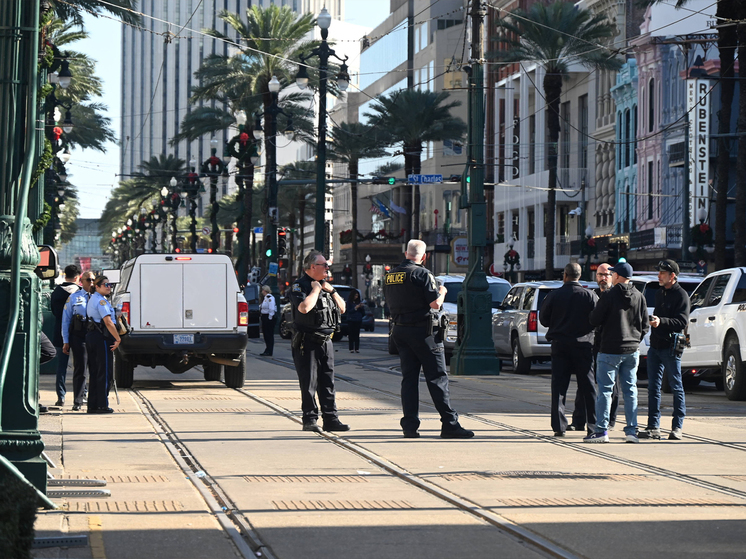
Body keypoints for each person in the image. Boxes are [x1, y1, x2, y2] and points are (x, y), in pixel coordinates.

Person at [383, 240, 474, 439]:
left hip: (400, 331)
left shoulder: (390, 275)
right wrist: (442, 292)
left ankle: (410, 426)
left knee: (409, 379)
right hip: (423, 333)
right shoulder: (422, 273)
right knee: (437, 378)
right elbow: (434, 304)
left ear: (406, 253)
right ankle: (449, 424)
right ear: (424, 257)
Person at [586, 261, 649, 443]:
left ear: (618, 276)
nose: (610, 276)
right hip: (632, 350)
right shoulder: (639, 296)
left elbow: (595, 319)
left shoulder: (609, 296)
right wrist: (635, 339)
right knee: (630, 390)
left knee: (605, 390)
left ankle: (601, 431)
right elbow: (644, 325)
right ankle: (631, 431)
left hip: (609, 349)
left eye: (613, 274)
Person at [289, 250, 349, 433]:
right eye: (324, 265)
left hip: (326, 342)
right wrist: (315, 289)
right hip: (307, 342)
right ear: (312, 267)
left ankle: (331, 418)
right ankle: (310, 419)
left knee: (328, 382)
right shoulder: (299, 286)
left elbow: (343, 309)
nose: (327, 269)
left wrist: (333, 291)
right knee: (309, 383)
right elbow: (304, 308)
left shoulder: (327, 287)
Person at [539, 263, 598, 437]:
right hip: (584, 346)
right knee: (588, 387)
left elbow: (543, 319)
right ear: (579, 276)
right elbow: (597, 318)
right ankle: (593, 425)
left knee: (559, 386)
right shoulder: (590, 296)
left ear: (565, 275)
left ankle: (559, 425)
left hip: (560, 345)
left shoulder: (554, 295)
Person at [639, 259, 690, 441]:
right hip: (655, 347)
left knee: (676, 387)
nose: (659, 276)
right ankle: (653, 426)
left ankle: (677, 427)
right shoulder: (660, 294)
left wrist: (662, 321)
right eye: (659, 272)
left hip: (670, 348)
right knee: (653, 387)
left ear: (672, 276)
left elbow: (682, 322)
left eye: (662, 273)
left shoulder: (681, 295)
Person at [569, 262, 621, 431]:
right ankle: (578, 421)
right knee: (585, 383)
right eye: (600, 275)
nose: (603, 278)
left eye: (606, 275)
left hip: (611, 346)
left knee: (611, 385)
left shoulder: (617, 295)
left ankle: (610, 421)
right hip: (591, 344)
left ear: (613, 276)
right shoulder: (592, 296)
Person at [85, 275, 121, 414]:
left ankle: (93, 404)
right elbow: (108, 322)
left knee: (95, 371)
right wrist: (117, 339)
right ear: (98, 286)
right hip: (102, 337)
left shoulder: (93, 298)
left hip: (93, 336)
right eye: (106, 284)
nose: (109, 287)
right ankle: (101, 404)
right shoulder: (101, 301)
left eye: (110, 285)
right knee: (104, 372)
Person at [61, 271, 95, 411]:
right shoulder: (74, 297)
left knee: (96, 369)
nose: (91, 283)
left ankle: (95, 400)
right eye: (88, 280)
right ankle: (78, 401)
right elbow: (66, 319)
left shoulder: (99, 297)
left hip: (95, 335)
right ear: (82, 281)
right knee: (80, 369)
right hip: (79, 336)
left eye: (93, 280)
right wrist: (66, 340)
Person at [51, 264, 83, 406]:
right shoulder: (79, 293)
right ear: (77, 277)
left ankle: (61, 396)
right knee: (80, 365)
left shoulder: (56, 292)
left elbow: (53, 311)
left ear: (65, 275)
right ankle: (82, 394)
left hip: (59, 331)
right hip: (77, 333)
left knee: (61, 366)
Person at [259, 285, 277, 357]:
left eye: (263, 290)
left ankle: (269, 350)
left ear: (265, 290)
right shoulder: (265, 298)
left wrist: (270, 318)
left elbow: (271, 308)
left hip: (268, 317)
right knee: (266, 334)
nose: (262, 292)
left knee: (269, 334)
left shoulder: (270, 298)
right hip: (264, 316)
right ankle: (267, 349)